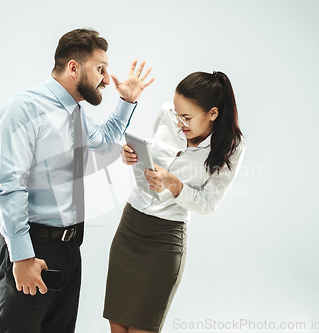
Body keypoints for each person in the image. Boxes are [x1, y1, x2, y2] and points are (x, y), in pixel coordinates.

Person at [0, 28, 154, 333]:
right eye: (100, 69)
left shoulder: (74, 112)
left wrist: (127, 101)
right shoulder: (24, 109)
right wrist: (23, 257)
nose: (106, 80)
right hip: (32, 247)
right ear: (73, 68)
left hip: (68, 249)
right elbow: (10, 186)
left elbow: (106, 141)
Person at [103, 71, 245, 333]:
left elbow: (209, 203)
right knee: (118, 326)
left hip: (165, 239)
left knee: (141, 328)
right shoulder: (168, 113)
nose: (179, 122)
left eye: (187, 118)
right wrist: (132, 157)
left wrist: (175, 184)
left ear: (212, 113)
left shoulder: (232, 146)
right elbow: (150, 153)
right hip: (130, 226)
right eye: (178, 114)